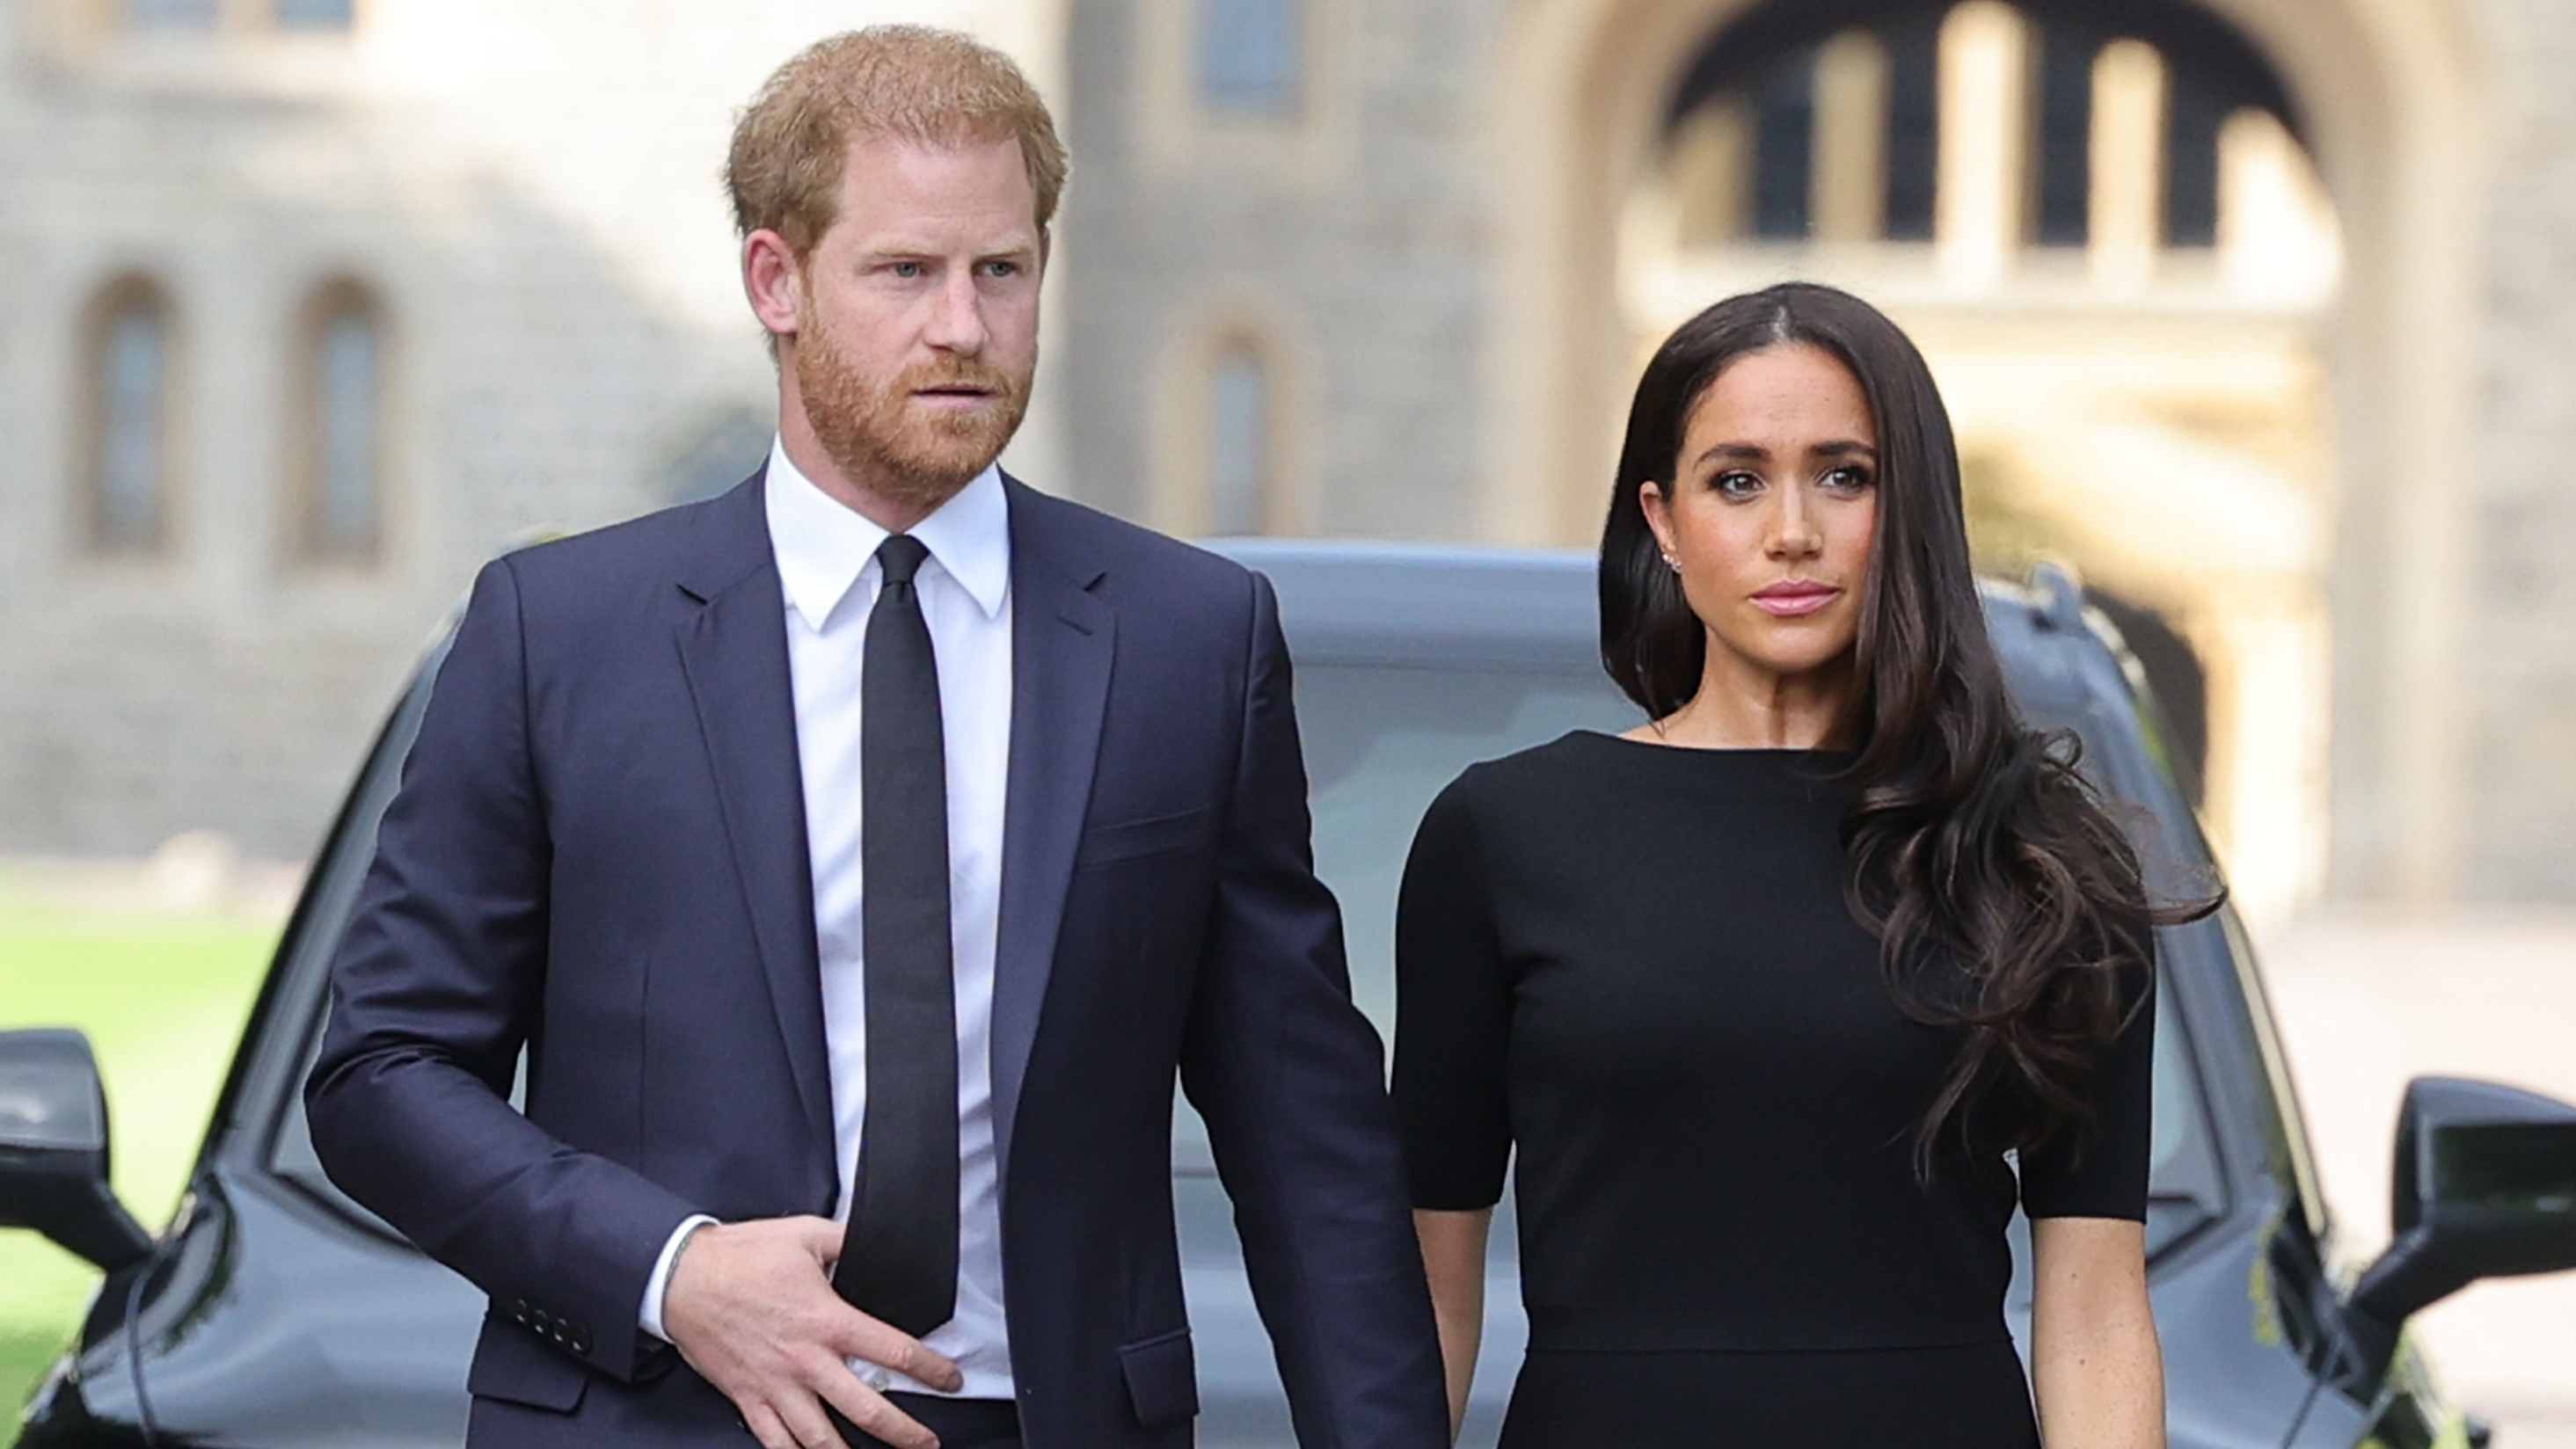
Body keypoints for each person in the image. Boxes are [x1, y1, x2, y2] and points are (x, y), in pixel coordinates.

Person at [304, 27, 1449, 1449]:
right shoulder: (560, 631)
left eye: (1002, 272)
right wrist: (669, 1273)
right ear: (776, 281)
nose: (962, 328)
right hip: (659, 1415)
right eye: (905, 272)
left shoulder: (1186, 639)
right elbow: (385, 1074)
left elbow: (1305, 1133)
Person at [1394, 282, 2180, 1448]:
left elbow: (2095, 1306)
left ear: (1907, 506)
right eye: (1737, 480)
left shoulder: (2039, 858)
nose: (1791, 532)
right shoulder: (1504, 835)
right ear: (1662, 520)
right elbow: (1425, 1288)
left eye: (1844, 475)